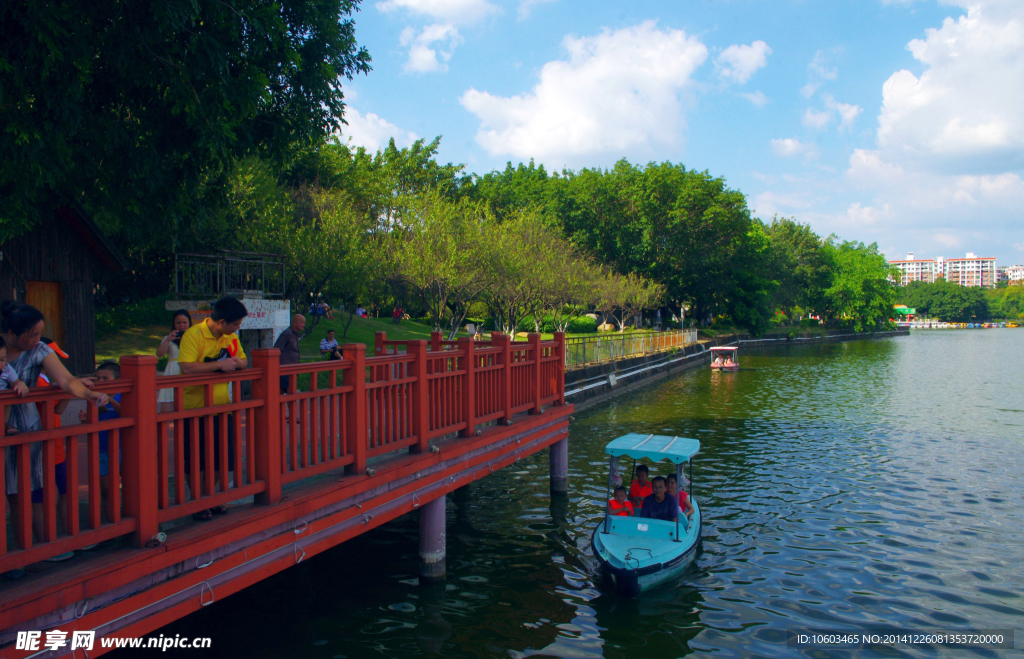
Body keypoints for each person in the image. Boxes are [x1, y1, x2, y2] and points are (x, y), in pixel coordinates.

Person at [2, 301, 107, 576]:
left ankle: (21, 554)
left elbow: (65, 379)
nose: (37, 339)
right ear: (11, 334)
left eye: (39, 333)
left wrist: (88, 394)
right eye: (32, 334)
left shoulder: (39, 351)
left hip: (24, 428)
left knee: (21, 493)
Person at [178, 296, 248, 521]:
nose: (238, 328)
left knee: (223, 458)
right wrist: (219, 364)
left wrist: (235, 363)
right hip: (195, 408)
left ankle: (210, 496)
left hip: (222, 407)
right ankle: (198, 500)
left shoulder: (231, 337)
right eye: (236, 324)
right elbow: (186, 368)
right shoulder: (194, 335)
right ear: (222, 322)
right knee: (196, 459)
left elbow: (244, 361)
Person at [79, 362, 122, 522]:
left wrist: (110, 399)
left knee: (132, 485)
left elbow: (125, 411)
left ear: (117, 380)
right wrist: (86, 418)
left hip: (122, 447)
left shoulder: (122, 394)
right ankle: (112, 520)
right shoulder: (94, 396)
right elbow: (93, 418)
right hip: (102, 448)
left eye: (106, 378)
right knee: (106, 489)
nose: (101, 381)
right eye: (98, 378)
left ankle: (131, 517)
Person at [156, 309, 191, 412]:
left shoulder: (194, 338)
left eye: (184, 322)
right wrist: (168, 340)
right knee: (168, 405)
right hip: (172, 371)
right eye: (178, 322)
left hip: (187, 369)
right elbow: (159, 354)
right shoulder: (168, 338)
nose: (182, 325)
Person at [0, 335, 30, 433]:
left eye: (2, 360)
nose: (0, 364)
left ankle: (4, 424)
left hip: (3, 403)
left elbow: (16, 382)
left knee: (7, 400)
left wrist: (21, 385)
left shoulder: (6, 369)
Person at [274, 314, 304, 393]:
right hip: (285, 368)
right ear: (294, 323)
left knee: (286, 391)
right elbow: (277, 349)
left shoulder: (295, 335)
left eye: (304, 323)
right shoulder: (287, 333)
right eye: (301, 322)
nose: (303, 325)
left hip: (292, 368)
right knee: (288, 391)